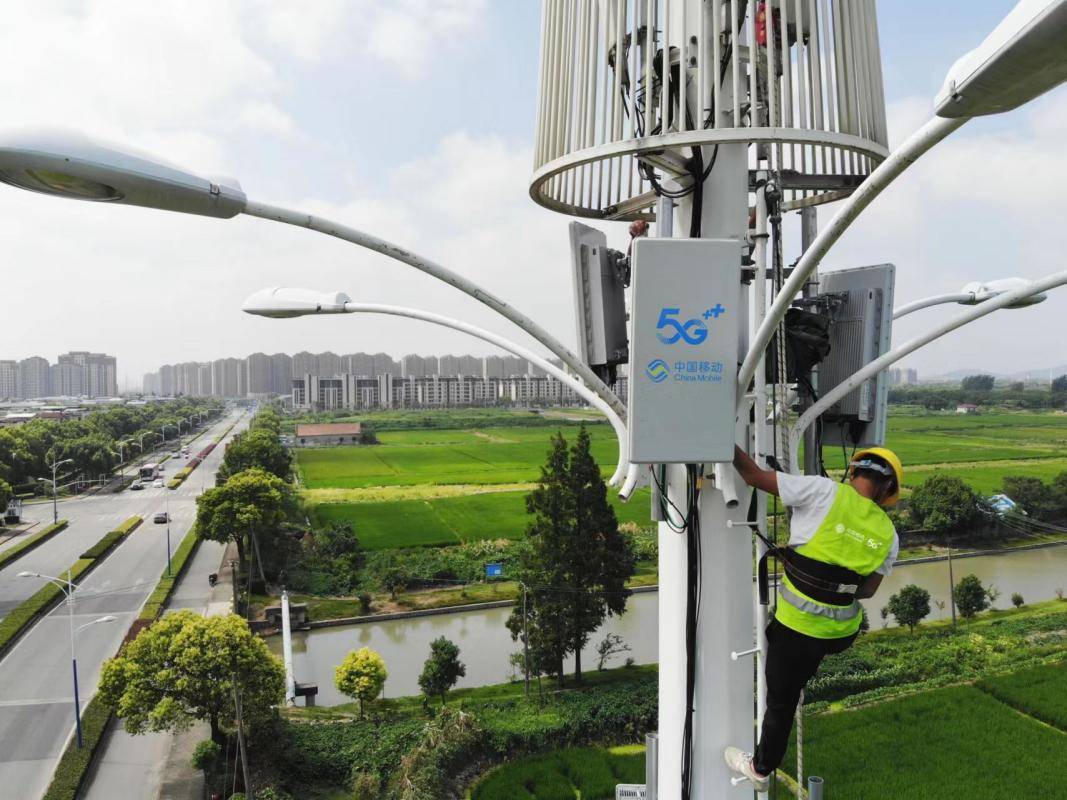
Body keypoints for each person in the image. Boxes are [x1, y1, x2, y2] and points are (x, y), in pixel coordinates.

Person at [723, 445, 903, 791]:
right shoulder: (889, 536)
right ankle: (798, 672)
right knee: (794, 670)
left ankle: (760, 769)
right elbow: (866, 592)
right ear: (886, 491)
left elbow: (752, 476)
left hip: (796, 631)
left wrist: (721, 440)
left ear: (853, 473)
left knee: (781, 700)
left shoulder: (822, 490)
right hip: (839, 635)